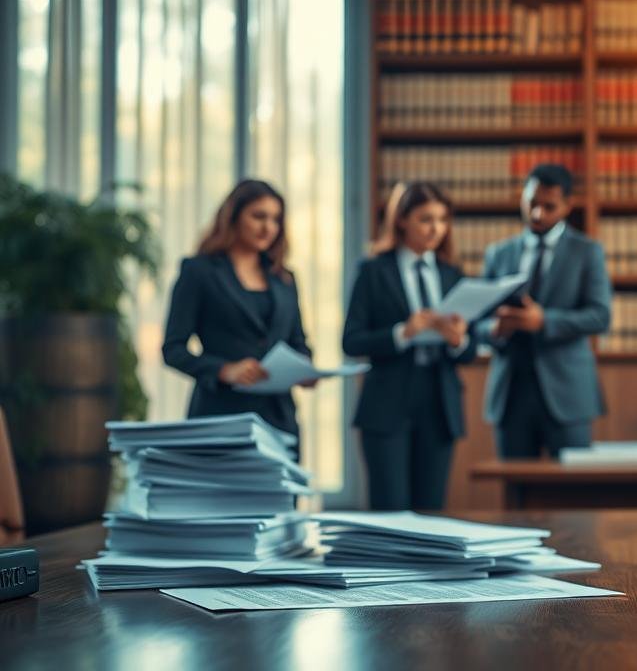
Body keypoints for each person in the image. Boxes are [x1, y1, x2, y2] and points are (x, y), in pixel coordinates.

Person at [342, 182, 476, 510]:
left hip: (439, 401)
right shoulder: (373, 271)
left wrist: (458, 340)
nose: (436, 229)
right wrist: (403, 332)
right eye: (426, 219)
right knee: (391, 509)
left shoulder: (452, 274)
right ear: (401, 220)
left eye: (442, 220)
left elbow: (471, 352)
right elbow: (351, 340)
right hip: (387, 402)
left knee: (431, 510)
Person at [162, 179, 315, 443]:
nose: (268, 228)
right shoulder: (199, 272)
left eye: (276, 219)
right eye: (259, 217)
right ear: (233, 217)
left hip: (279, 420)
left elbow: (298, 342)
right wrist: (224, 370)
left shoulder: (285, 278)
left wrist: (305, 370)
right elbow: (173, 349)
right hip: (220, 416)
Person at [478, 164, 612, 458]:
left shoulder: (587, 252)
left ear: (567, 206)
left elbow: (600, 316)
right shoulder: (498, 254)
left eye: (548, 206)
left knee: (572, 496)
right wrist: (493, 329)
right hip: (511, 393)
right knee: (514, 493)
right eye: (531, 204)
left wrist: (544, 321)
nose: (538, 214)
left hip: (568, 394)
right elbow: (476, 323)